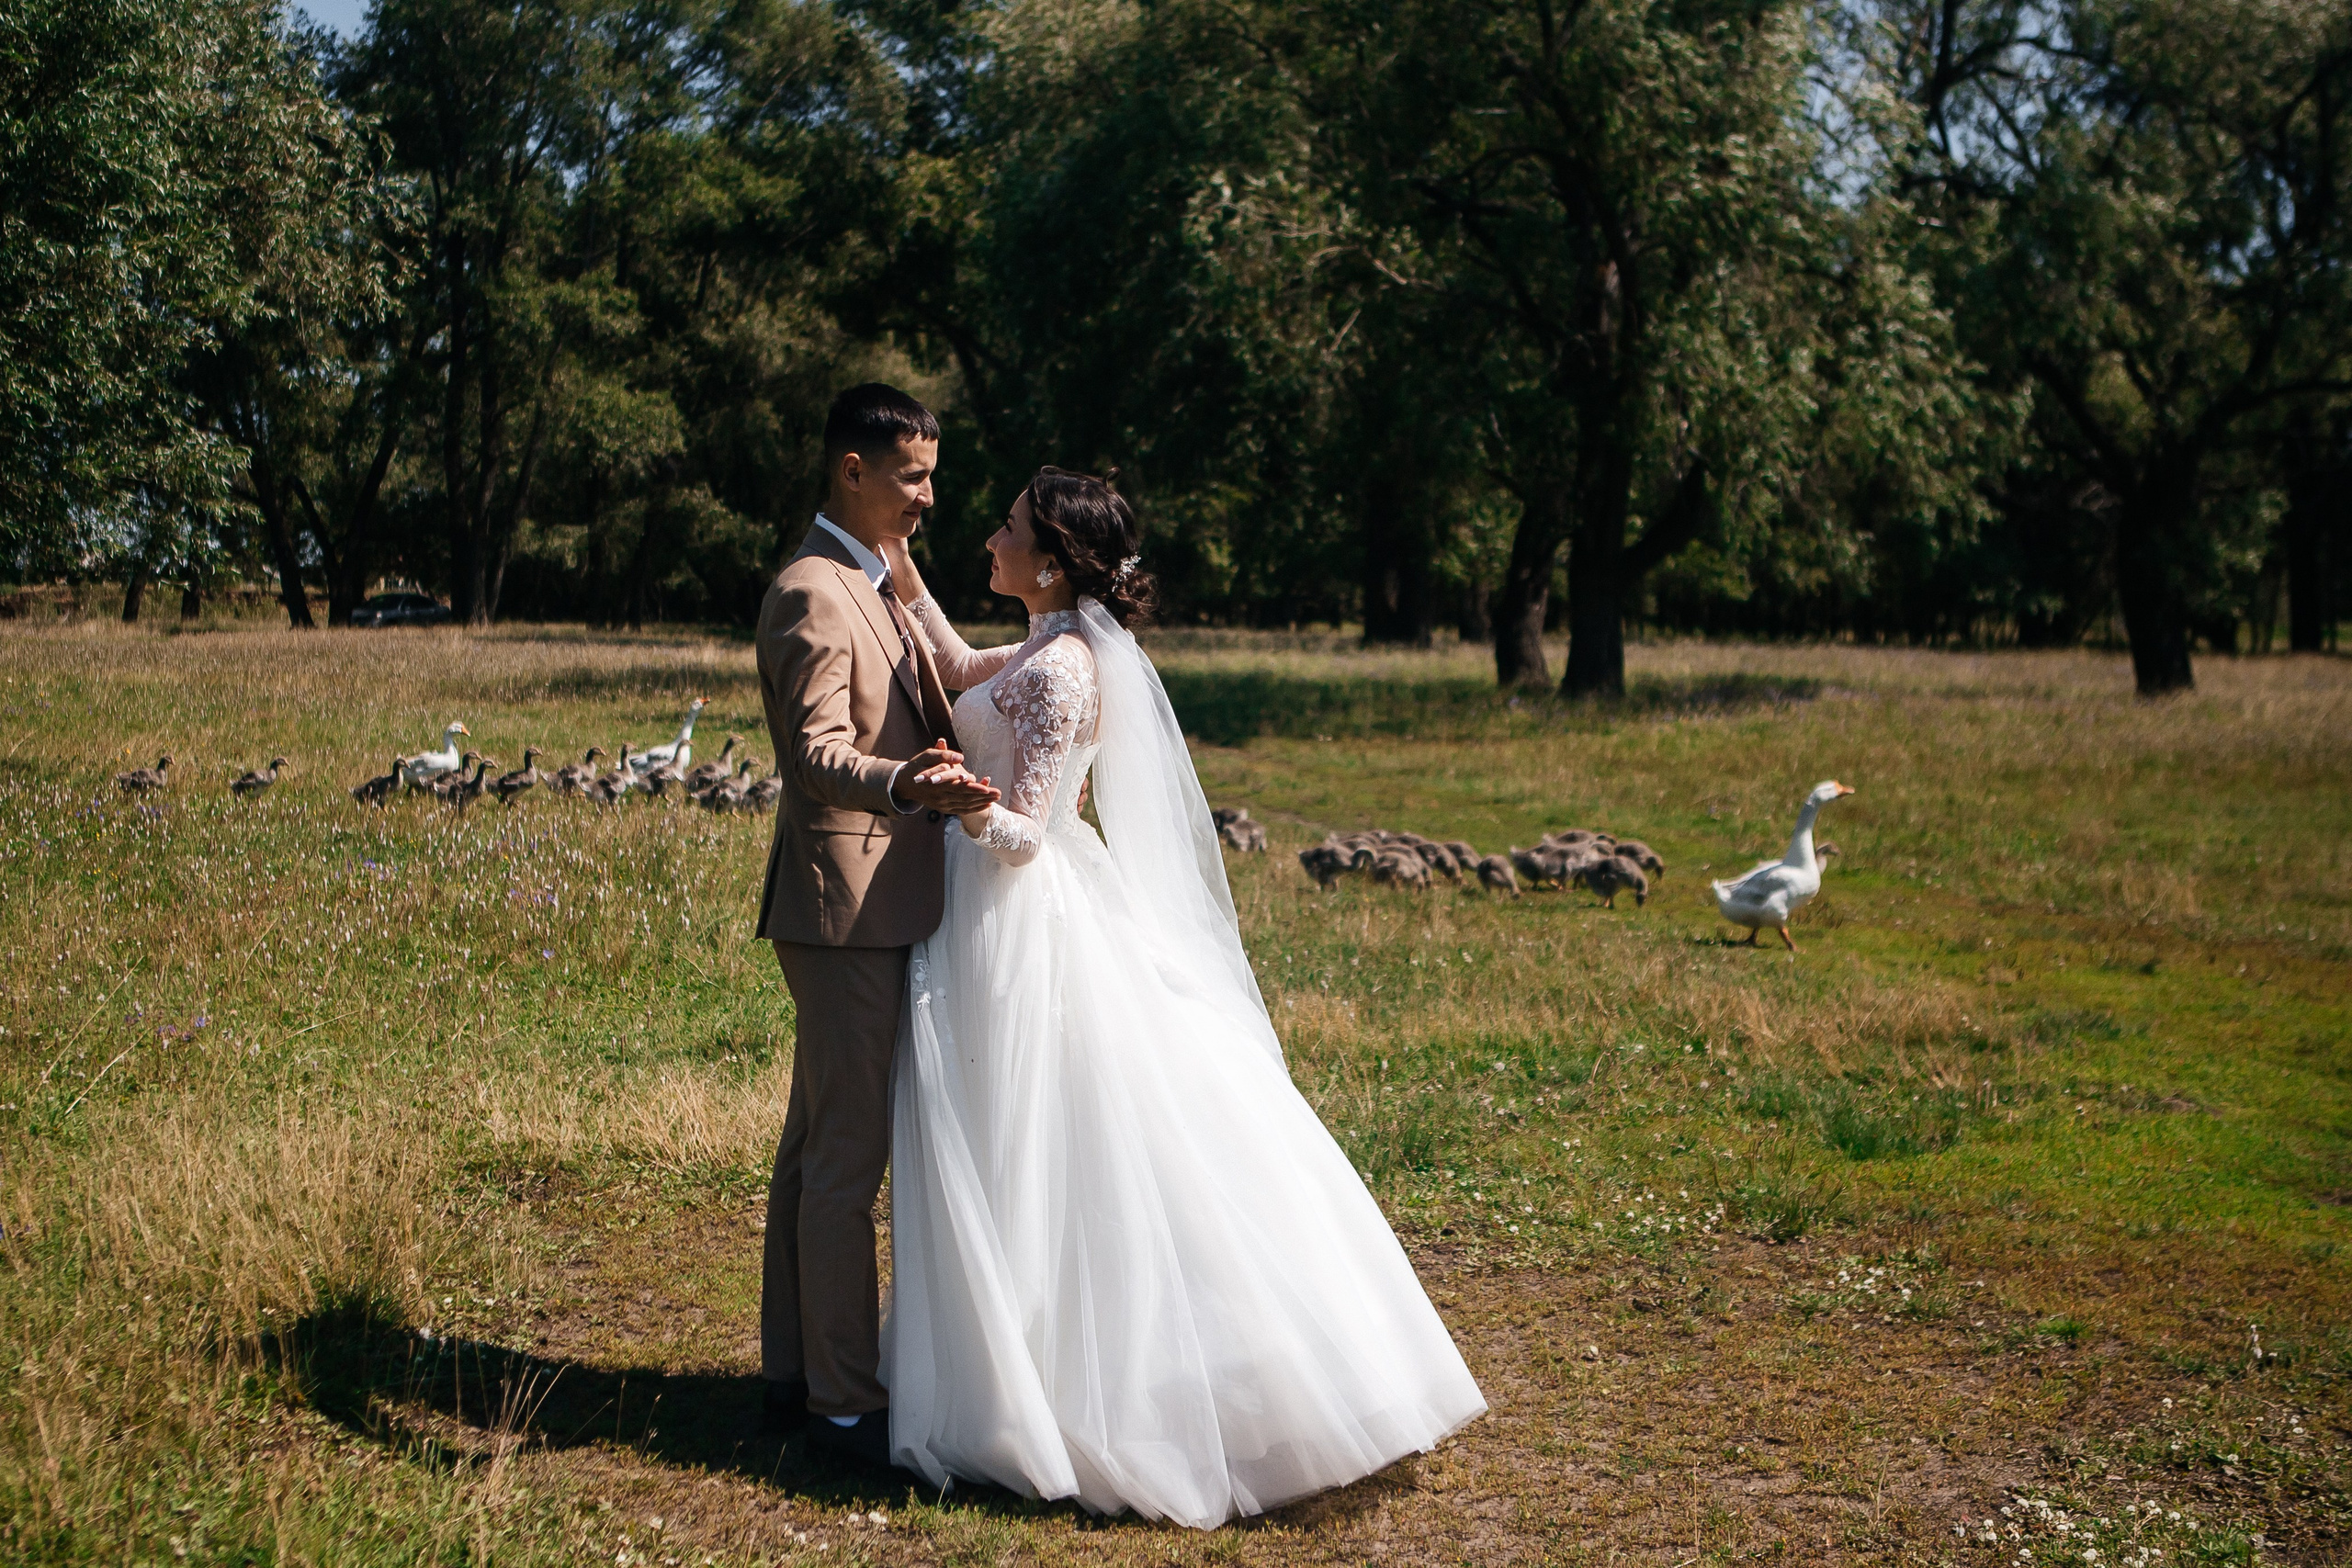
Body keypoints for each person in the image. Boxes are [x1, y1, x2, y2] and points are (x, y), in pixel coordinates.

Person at [874, 466, 1487, 1527]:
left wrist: (961, 805)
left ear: (1051, 562)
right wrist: (897, 564)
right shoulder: (1039, 647)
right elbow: (960, 663)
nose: (991, 538)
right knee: (1008, 1138)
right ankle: (1005, 1373)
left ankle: (1053, 1391)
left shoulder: (1063, 672)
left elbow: (1026, 836)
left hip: (1018, 920)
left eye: (1009, 528)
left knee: (1030, 1141)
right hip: (991, 915)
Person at [752, 383, 998, 1464]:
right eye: (912, 476)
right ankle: (844, 1408)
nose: (928, 497)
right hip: (842, 910)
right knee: (846, 1163)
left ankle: (794, 1374)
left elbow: (948, 676)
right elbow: (813, 755)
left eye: (932, 475)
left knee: (817, 1151)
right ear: (852, 470)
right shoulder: (812, 589)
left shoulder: (879, 575)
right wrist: (905, 782)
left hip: (870, 903)